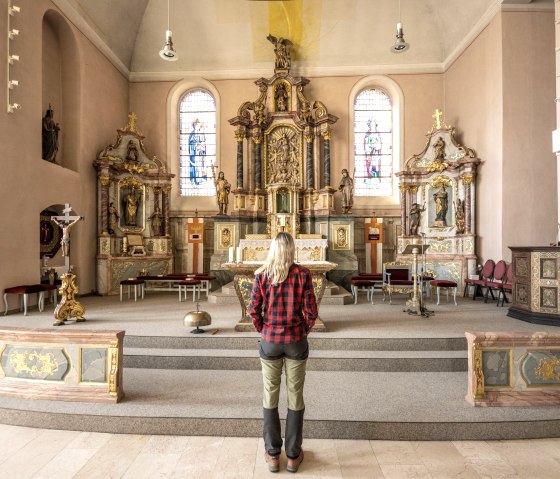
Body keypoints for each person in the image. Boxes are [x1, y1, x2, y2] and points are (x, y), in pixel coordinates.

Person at [249, 233, 318, 474]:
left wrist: (265, 330)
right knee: (295, 396)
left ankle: (272, 455)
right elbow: (311, 312)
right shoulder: (303, 274)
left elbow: (253, 311)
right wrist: (301, 331)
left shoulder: (262, 275)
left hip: (270, 341)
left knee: (270, 395)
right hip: (296, 341)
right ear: (291, 249)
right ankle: (292, 455)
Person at [188, 119, 206, 185]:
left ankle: (199, 179)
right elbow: (190, 143)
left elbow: (203, 143)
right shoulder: (192, 133)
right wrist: (195, 146)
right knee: (195, 167)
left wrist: (200, 147)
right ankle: (194, 179)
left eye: (198, 125)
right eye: (196, 125)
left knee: (199, 166)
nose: (197, 126)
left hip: (199, 153)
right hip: (194, 153)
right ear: (194, 126)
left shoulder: (201, 134)